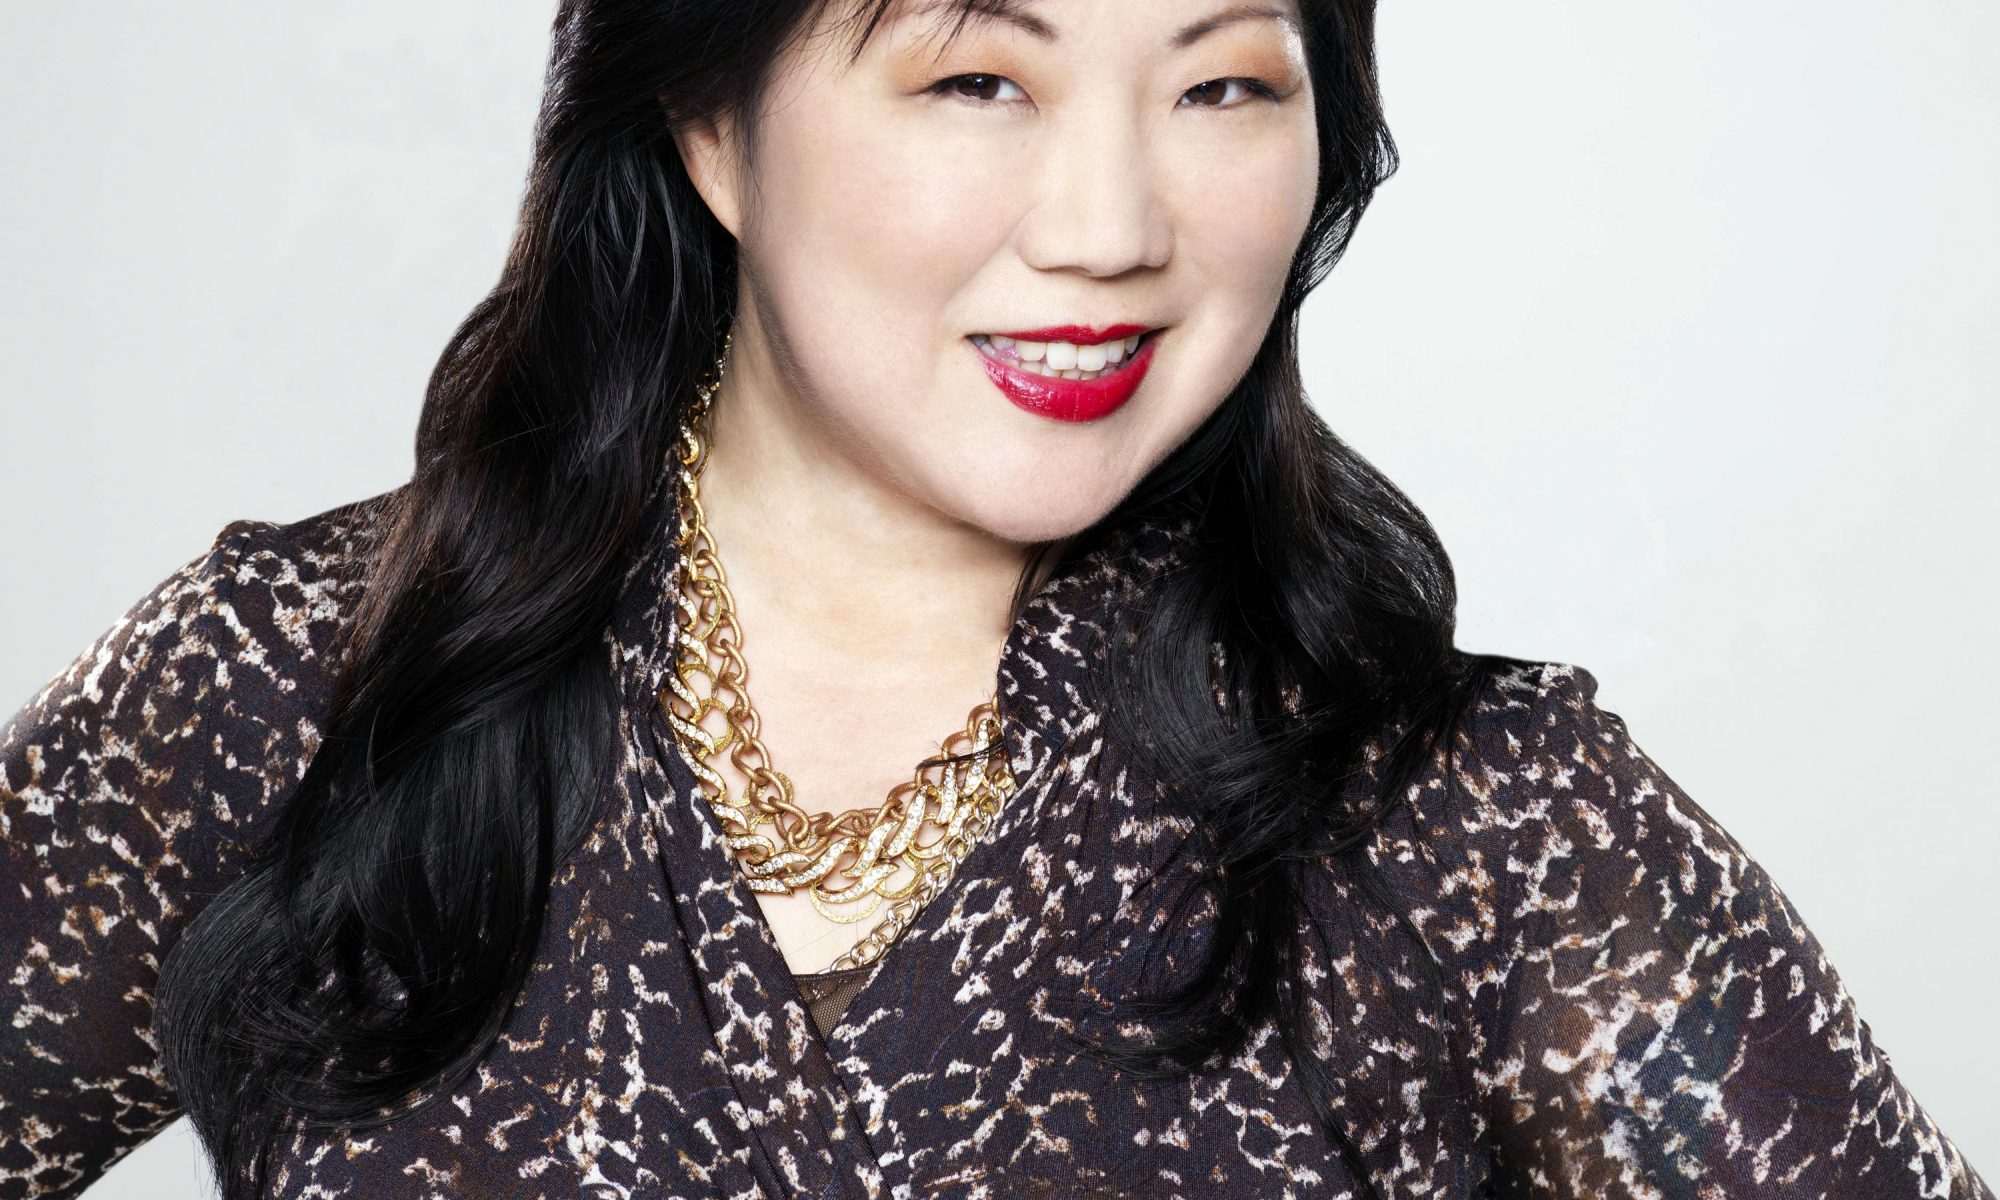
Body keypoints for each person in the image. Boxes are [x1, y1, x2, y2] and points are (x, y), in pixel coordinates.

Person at [0, 0, 1988, 1196]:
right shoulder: (291, 681)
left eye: (1226, 84)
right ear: (711, 122)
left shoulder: (1465, 821)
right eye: (977, 78)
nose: (1112, 227)